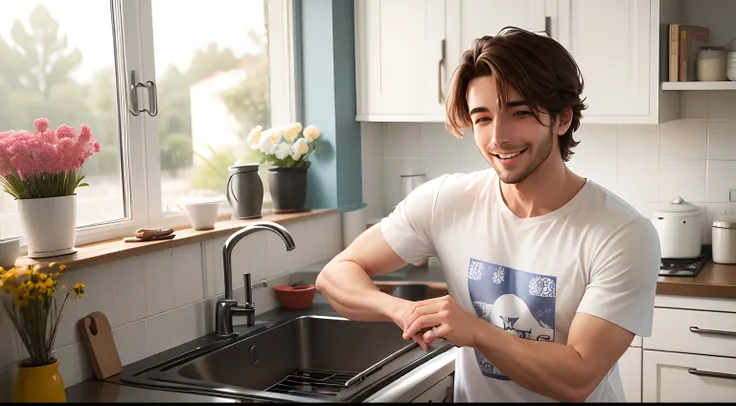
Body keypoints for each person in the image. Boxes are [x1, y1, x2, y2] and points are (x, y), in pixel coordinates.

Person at [315, 26, 660, 403]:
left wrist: (476, 331)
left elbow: (578, 378)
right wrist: (403, 311)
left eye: (519, 112)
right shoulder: (445, 200)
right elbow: (335, 276)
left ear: (562, 119)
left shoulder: (623, 234)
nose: (499, 137)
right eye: (482, 118)